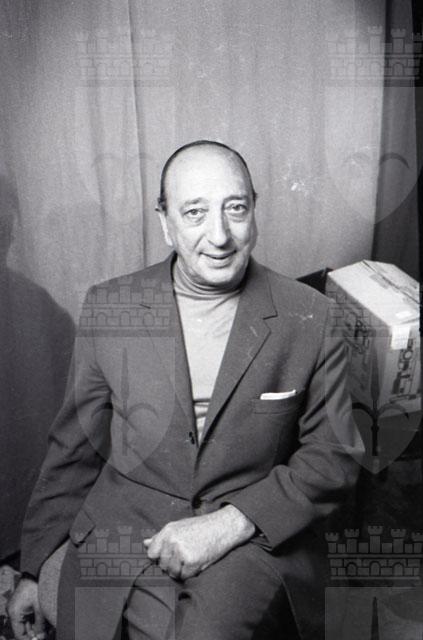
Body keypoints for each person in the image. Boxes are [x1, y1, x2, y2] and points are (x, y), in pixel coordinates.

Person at [8, 140, 363, 640]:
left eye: (235, 208)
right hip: (123, 526)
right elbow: (75, 448)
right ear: (165, 222)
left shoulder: (311, 315)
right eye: (195, 212)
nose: (219, 235)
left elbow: (334, 456)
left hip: (247, 539)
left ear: (255, 210)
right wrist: (33, 566)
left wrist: (231, 523)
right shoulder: (110, 306)